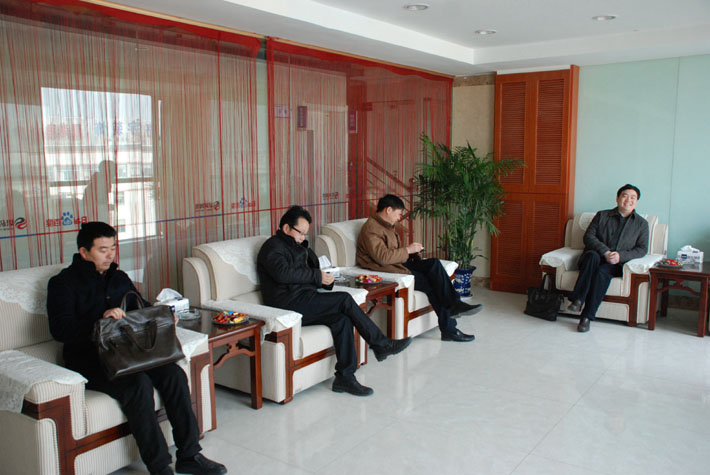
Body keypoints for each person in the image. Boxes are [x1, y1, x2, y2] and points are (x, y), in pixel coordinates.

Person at [47, 222, 226, 475]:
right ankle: (160, 466)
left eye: (112, 248)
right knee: (138, 384)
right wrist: (101, 321)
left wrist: (163, 317)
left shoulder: (119, 277)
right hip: (91, 359)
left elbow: (140, 308)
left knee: (174, 374)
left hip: (131, 353)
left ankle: (190, 454)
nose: (110, 255)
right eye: (102, 250)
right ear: (84, 252)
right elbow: (60, 330)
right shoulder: (63, 283)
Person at [257, 206, 412, 397]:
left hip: (305, 298)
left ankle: (345, 377)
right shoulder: (272, 247)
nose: (303, 237)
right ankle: (380, 343)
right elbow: (283, 274)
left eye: (305, 234)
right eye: (300, 233)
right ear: (286, 228)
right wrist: (316, 276)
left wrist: (326, 278)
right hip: (287, 304)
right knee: (344, 299)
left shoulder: (298, 246)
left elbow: (309, 272)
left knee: (342, 319)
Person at [356, 194, 482, 343]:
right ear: (388, 210)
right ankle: (450, 327)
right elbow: (382, 257)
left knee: (434, 264)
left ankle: (455, 305)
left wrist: (412, 252)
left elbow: (391, 253)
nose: (399, 218)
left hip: (395, 264)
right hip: (384, 269)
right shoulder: (371, 228)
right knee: (432, 284)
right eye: (399, 214)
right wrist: (408, 250)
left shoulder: (385, 225)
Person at [567, 184, 649, 332]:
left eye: (633, 197)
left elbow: (642, 249)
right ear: (617, 198)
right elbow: (588, 236)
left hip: (615, 264)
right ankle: (578, 300)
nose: (628, 200)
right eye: (625, 196)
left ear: (636, 201)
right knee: (592, 257)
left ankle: (586, 317)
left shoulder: (641, 224)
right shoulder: (602, 215)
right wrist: (605, 251)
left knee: (602, 272)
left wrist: (620, 256)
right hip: (595, 256)